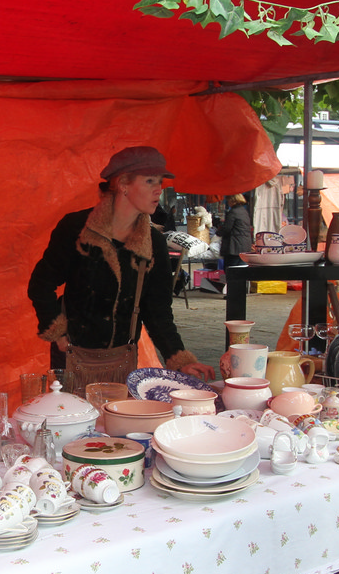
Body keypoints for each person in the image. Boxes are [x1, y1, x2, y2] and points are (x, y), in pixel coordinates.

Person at [29, 146, 215, 395]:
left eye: (160, 182)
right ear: (123, 184)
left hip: (122, 364)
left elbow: (158, 312)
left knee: (118, 420)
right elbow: (41, 284)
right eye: (149, 181)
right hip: (71, 359)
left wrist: (180, 358)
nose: (159, 189)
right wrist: (58, 334)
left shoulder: (153, 242)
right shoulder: (76, 229)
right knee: (71, 419)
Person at [220, 194, 252, 266]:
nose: (228, 203)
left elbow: (227, 228)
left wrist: (217, 233)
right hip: (245, 246)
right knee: (241, 269)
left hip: (234, 247)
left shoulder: (233, 212)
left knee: (231, 269)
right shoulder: (244, 211)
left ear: (232, 201)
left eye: (228, 201)